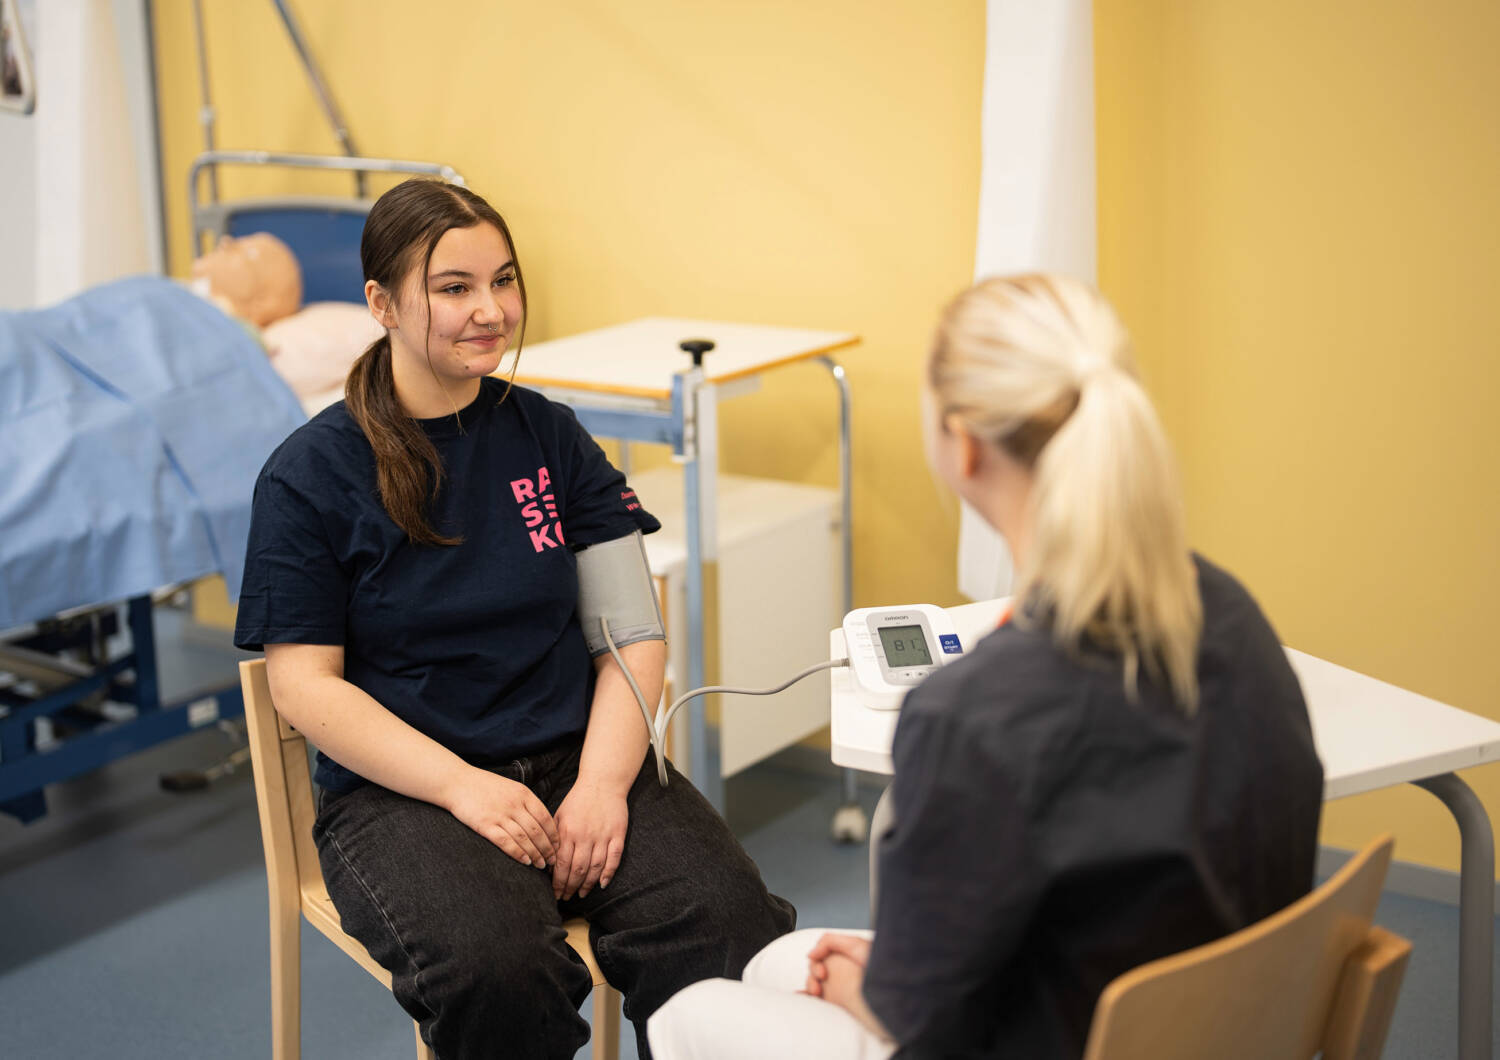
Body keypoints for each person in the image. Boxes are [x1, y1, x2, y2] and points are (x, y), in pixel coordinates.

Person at [647, 274, 1324, 1059]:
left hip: (1044, 1037)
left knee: (690, 1011)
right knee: (769, 962)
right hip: (1213, 1024)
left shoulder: (973, 712)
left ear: (962, 445)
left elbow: (926, 1025)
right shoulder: (1228, 612)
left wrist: (875, 988)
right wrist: (897, 978)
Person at [234, 178, 795, 1060]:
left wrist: (605, 785)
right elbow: (303, 686)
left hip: (580, 757)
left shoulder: (550, 436)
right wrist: (462, 785)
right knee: (499, 974)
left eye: (503, 281)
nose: (490, 310)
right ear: (381, 303)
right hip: (407, 792)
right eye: (453, 287)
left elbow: (631, 634)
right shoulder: (310, 476)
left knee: (732, 935)